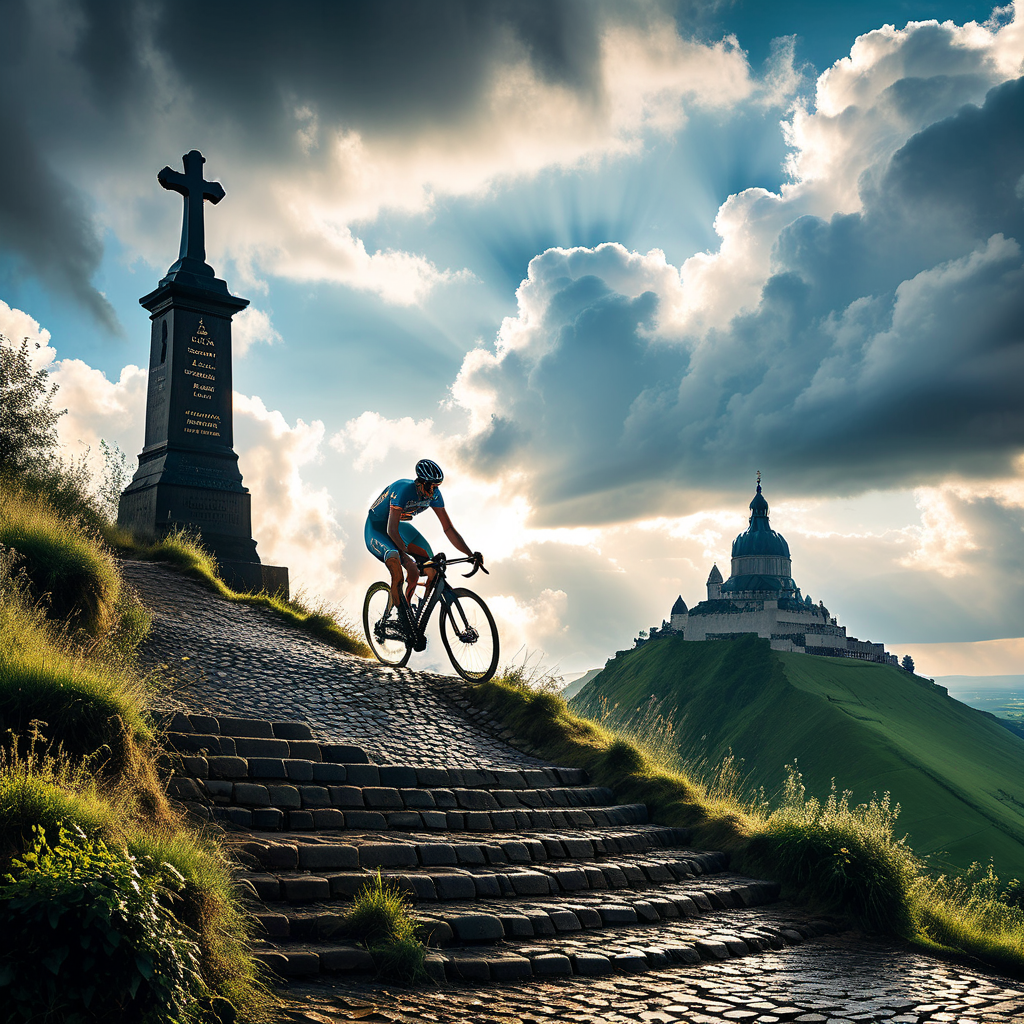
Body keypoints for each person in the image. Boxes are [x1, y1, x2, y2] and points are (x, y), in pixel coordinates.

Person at [364, 459, 482, 647]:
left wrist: (470, 554)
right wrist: (407, 558)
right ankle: (398, 617)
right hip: (379, 529)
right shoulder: (402, 490)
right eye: (430, 485)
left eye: (437, 486)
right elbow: (391, 531)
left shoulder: (435, 495)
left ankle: (415, 620)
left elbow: (448, 528)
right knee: (399, 567)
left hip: (399, 529)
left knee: (433, 570)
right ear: (420, 481)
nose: (433, 490)